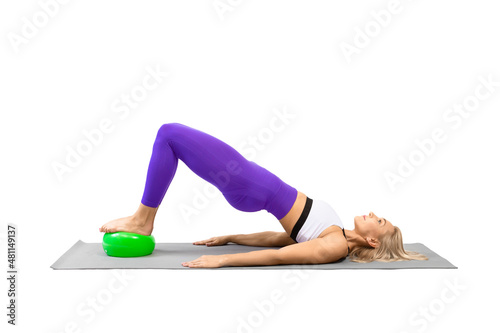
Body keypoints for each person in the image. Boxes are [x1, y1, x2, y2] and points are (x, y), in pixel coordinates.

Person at [99, 123, 427, 268]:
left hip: (249, 183)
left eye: (379, 221)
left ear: (372, 242)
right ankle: (143, 218)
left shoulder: (334, 246)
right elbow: (280, 240)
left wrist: (223, 260)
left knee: (169, 134)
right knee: (170, 137)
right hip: (251, 181)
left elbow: (278, 258)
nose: (373, 213)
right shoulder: (336, 234)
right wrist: (230, 237)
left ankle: (143, 220)